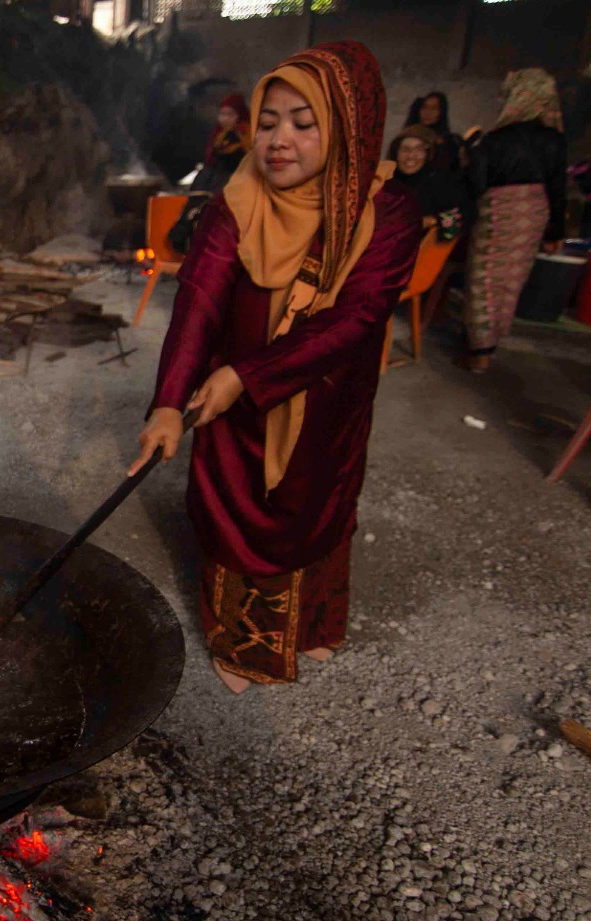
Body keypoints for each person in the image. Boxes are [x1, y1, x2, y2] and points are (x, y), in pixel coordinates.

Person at [131, 41, 421, 694]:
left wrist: (247, 376)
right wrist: (171, 402)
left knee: (318, 505)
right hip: (235, 413)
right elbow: (200, 304)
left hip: (329, 401)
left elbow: (358, 318)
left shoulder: (389, 212)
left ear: (347, 126)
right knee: (240, 515)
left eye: (302, 121)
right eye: (267, 122)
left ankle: (313, 624)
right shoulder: (238, 202)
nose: (278, 140)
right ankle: (243, 646)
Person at [461, 68, 566, 372]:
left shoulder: (494, 140)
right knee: (509, 282)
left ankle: (478, 351)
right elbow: (558, 188)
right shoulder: (553, 139)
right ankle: (489, 347)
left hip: (498, 213)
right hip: (534, 216)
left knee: (483, 280)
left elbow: (476, 184)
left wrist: (470, 149)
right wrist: (555, 231)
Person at [388, 125, 466, 240]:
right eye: (405, 149)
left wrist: (432, 220)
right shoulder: (384, 184)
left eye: (419, 150)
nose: (411, 156)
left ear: (429, 153)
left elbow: (461, 220)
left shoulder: (442, 186)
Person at [192, 94, 252, 194]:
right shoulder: (218, 134)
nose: (225, 118)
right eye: (222, 114)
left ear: (239, 115)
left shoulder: (245, 133)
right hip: (213, 180)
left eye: (230, 115)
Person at [405, 91, 467, 174]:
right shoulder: (408, 137)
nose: (427, 112)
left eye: (434, 108)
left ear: (441, 112)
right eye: (424, 107)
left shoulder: (451, 141)